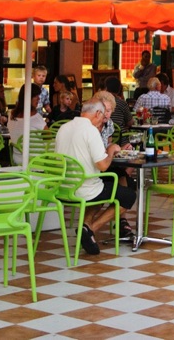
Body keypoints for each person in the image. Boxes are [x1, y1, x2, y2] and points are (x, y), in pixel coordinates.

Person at [55, 97, 137, 254]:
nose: (103, 121)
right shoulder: (90, 131)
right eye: (103, 117)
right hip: (84, 188)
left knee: (106, 184)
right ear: (98, 113)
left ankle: (85, 227)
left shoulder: (64, 128)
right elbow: (103, 165)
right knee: (128, 196)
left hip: (63, 187)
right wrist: (112, 150)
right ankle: (90, 229)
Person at [9, 83, 45, 166]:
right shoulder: (36, 118)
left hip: (17, 159)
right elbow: (49, 137)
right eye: (36, 96)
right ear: (28, 97)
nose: (39, 99)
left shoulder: (11, 115)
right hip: (36, 160)